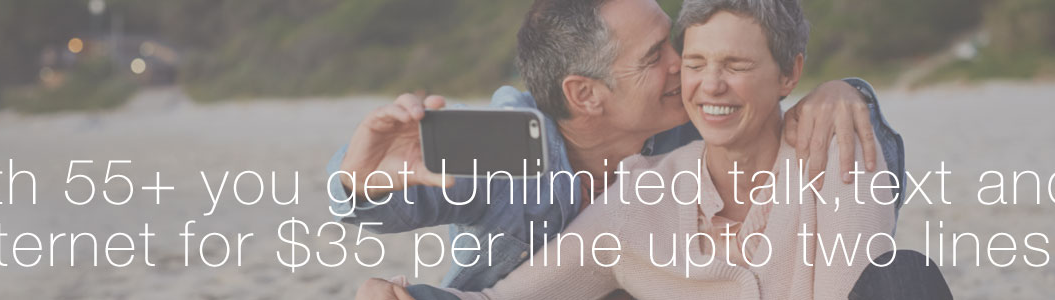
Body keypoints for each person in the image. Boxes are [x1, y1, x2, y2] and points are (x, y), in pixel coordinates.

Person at [360, 0, 941, 299]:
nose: (704, 85)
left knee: (901, 278)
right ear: (585, 95)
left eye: (736, 66)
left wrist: (851, 93)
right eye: (690, 62)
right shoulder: (637, 190)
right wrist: (395, 293)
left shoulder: (837, 151)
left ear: (790, 74)